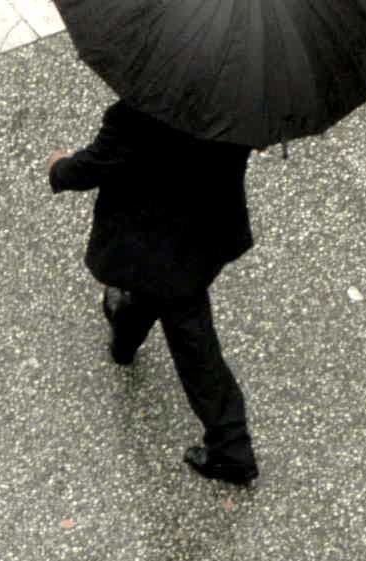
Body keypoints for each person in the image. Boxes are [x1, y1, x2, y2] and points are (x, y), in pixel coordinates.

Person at [44, 101, 259, 486]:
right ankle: (125, 331)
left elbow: (93, 166)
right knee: (160, 295)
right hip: (205, 231)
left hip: (155, 244)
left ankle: (232, 448)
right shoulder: (240, 106)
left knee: (191, 337)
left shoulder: (138, 113)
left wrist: (58, 167)